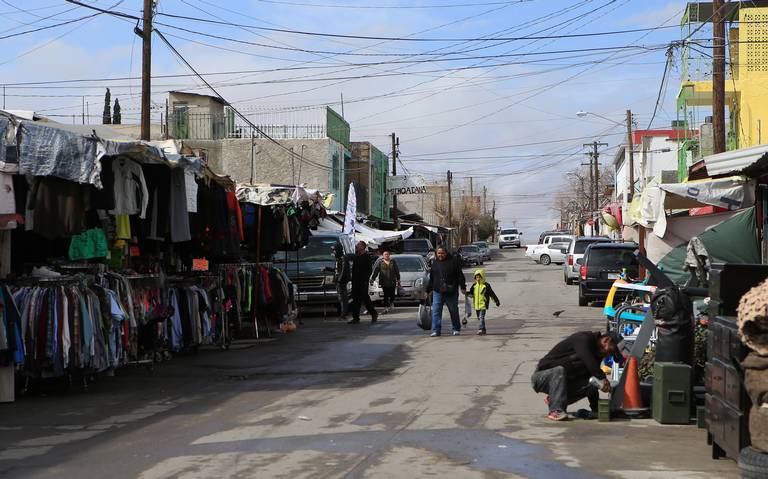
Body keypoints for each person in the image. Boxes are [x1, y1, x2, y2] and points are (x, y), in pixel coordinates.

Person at [531, 331, 623, 421]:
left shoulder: (595, 357)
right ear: (606, 340)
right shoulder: (583, 338)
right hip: (542, 376)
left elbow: (593, 378)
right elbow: (587, 358)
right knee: (561, 370)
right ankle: (555, 410)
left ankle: (554, 398)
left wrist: (597, 408)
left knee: (593, 382)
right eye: (610, 352)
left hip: (563, 383)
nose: (607, 355)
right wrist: (602, 378)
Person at [425, 245, 466, 337]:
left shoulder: (453, 261)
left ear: (446, 253)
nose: (440, 255)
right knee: (436, 311)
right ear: (436, 254)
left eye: (442, 253)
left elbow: (460, 275)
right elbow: (432, 278)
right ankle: (436, 330)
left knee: (453, 310)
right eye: (438, 253)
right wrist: (427, 290)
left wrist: (463, 287)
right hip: (437, 291)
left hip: (451, 291)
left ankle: (456, 328)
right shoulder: (435, 263)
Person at [348, 241, 379, 324]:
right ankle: (356, 318)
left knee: (366, 299)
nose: (356, 246)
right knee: (355, 300)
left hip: (363, 282)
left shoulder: (366, 257)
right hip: (355, 282)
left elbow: (369, 270)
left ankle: (373, 313)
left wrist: (365, 280)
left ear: (362, 247)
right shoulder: (356, 256)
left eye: (358, 245)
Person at [465, 269, 500, 335]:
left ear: (482, 277)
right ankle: (483, 329)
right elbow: (472, 294)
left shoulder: (486, 286)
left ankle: (480, 329)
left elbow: (492, 294)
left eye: (479, 277)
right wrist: (466, 293)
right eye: (476, 277)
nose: (478, 279)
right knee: (479, 318)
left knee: (481, 317)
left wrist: (496, 301)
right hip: (476, 305)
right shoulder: (474, 286)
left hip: (483, 304)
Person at [331, 244, 352, 320]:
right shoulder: (338, 258)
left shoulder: (343, 258)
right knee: (341, 298)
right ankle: (343, 314)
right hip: (338, 280)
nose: (333, 252)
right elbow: (337, 270)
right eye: (333, 250)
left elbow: (343, 270)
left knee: (343, 298)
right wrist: (327, 269)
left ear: (339, 250)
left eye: (335, 250)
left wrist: (340, 279)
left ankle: (343, 314)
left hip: (341, 281)